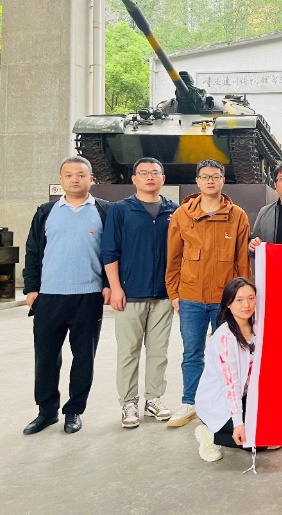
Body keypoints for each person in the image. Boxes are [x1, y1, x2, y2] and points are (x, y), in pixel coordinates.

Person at [22, 156, 111, 435]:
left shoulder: (104, 211)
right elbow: (33, 251)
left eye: (81, 175)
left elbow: (111, 252)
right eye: (69, 175)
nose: (75, 179)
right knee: (46, 358)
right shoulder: (46, 211)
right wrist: (31, 288)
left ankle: (74, 411)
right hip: (49, 297)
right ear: (61, 180)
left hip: (88, 296)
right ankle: (46, 412)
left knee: (83, 358)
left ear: (91, 179)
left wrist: (108, 284)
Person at [165, 158, 252, 428]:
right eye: (205, 176)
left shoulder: (237, 215)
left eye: (216, 176)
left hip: (225, 301)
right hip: (191, 297)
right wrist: (174, 292)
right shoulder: (182, 215)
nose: (210, 180)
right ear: (198, 181)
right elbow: (173, 258)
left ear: (223, 180)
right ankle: (190, 402)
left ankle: (228, 404)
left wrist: (243, 300)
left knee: (229, 353)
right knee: (192, 352)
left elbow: (242, 262)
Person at [101, 157, 179, 429]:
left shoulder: (174, 210)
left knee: (159, 352)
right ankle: (128, 403)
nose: (149, 177)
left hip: (163, 296)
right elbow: (109, 251)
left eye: (155, 172)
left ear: (163, 178)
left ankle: (153, 399)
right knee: (128, 352)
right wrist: (115, 287)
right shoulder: (121, 210)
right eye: (143, 173)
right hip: (130, 294)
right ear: (133, 179)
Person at [194, 277, 281, 461]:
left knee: (276, 429)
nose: (246, 305)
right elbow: (231, 385)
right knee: (258, 441)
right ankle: (210, 435)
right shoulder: (225, 338)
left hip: (246, 395)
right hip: (221, 401)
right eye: (239, 300)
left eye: (251, 298)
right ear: (228, 303)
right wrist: (238, 422)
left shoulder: (257, 328)